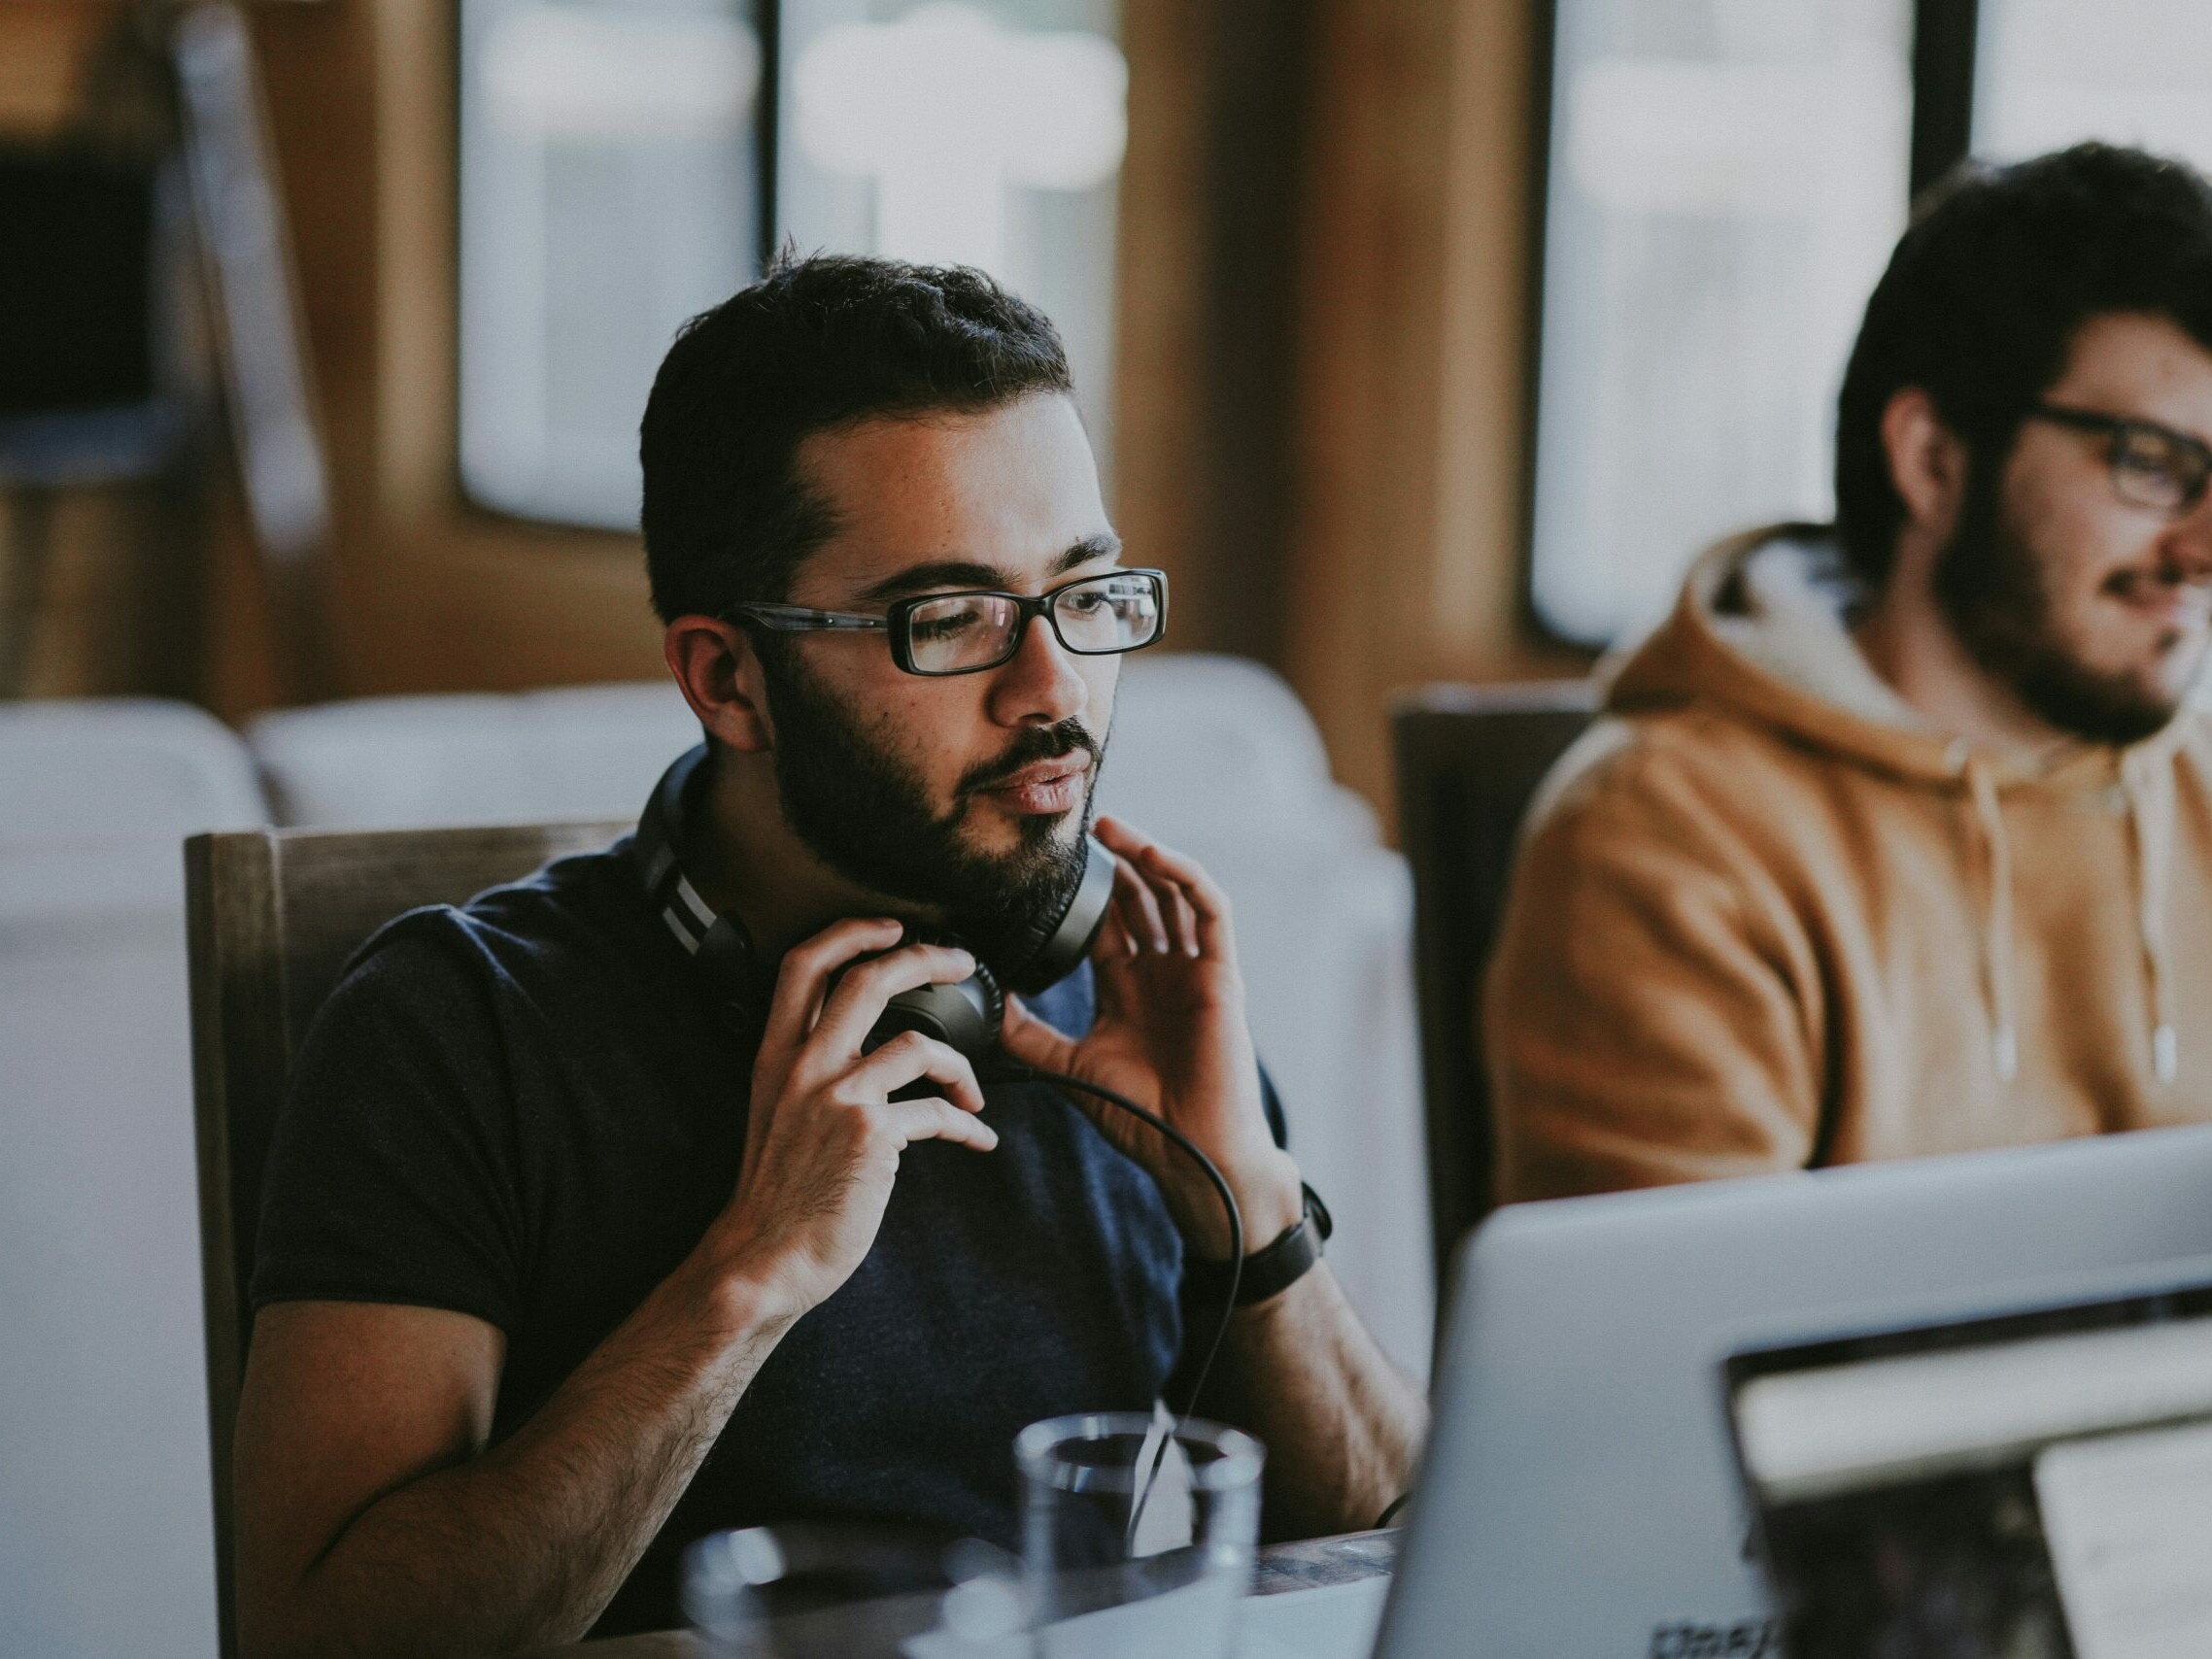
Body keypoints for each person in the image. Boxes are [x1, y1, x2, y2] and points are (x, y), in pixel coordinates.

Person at [231, 255, 1424, 1656]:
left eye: (1084, 597)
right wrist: (750, 1275)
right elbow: (316, 1641)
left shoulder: (1121, 989)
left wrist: (1245, 1203)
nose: (1056, 696)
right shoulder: (457, 1027)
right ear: (726, 678)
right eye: (952, 619)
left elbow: (1392, 1554)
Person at [1487, 143, 2212, 1202]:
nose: (2204, 546)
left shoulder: (2197, 787)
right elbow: (1680, 1351)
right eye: (2154, 464)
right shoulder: (1668, 840)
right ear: (1933, 459)